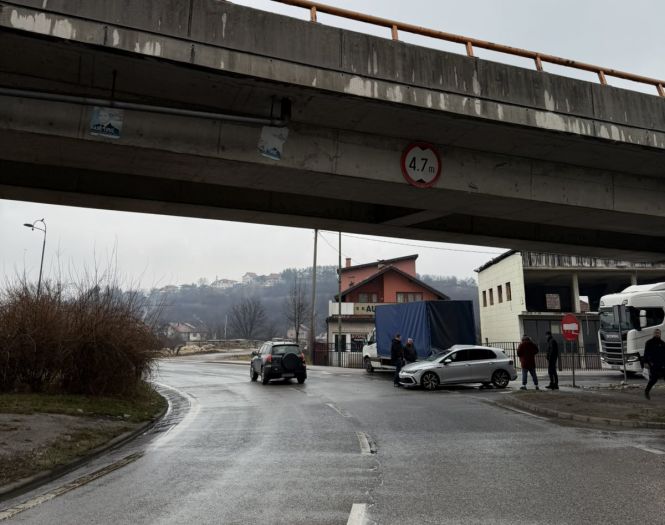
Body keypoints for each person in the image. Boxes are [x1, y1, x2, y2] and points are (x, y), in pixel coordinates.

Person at [644, 329, 665, 400]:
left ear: (660, 334)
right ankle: (646, 391)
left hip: (662, 364)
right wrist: (646, 362)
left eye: (658, 333)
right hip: (653, 364)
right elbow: (646, 353)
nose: (657, 334)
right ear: (653, 334)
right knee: (654, 379)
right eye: (656, 333)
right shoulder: (649, 342)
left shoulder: (662, 343)